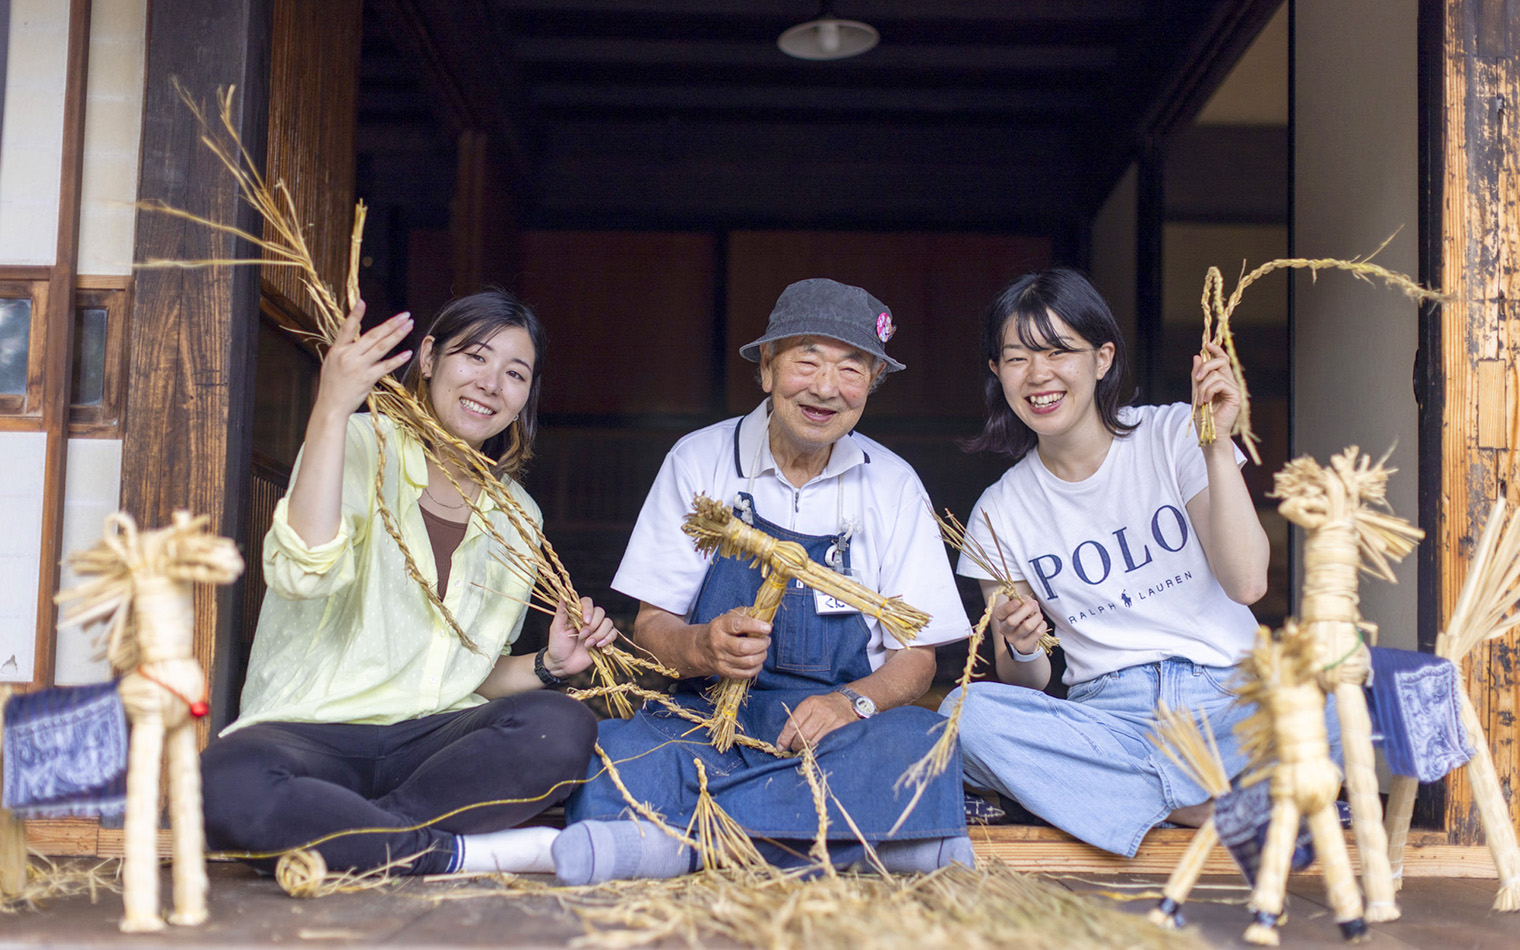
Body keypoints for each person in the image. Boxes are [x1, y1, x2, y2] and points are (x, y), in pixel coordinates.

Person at [553, 278, 974, 885]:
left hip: (830, 734)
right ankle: (874, 848)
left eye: (852, 369)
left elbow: (918, 658)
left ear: (871, 385)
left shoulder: (894, 485)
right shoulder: (699, 460)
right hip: (704, 723)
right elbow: (650, 629)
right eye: (807, 359)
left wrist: (850, 702)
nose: (826, 387)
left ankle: (683, 848)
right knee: (617, 748)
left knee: (921, 738)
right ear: (767, 371)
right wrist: (702, 646)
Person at [202, 290, 616, 876]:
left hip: (429, 749)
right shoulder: (357, 443)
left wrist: (548, 665)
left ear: (526, 394)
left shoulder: (519, 515)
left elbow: (463, 674)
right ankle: (450, 854)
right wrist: (331, 409)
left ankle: (346, 837)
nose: (491, 384)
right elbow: (302, 573)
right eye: (474, 357)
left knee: (562, 726)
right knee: (226, 781)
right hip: (314, 732)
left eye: (515, 373)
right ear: (428, 358)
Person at [941, 267, 1271, 857]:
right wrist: (1020, 645)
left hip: (1230, 704)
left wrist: (1217, 443)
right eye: (1017, 358)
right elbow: (1030, 683)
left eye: (1060, 351)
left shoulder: (1175, 433)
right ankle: (1197, 803)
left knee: (1344, 686)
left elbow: (1247, 583)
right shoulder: (998, 512)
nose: (1038, 375)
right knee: (964, 715)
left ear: (1102, 358)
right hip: (1111, 723)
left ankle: (1136, 802)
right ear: (997, 373)